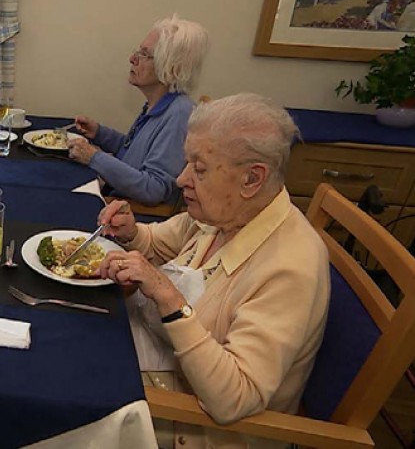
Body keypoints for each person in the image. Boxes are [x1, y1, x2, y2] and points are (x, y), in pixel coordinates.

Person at [97, 93, 330, 448]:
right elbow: (159, 241)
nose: (181, 179)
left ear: (252, 179)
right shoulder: (225, 212)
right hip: (165, 367)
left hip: (200, 428)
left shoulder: (290, 267)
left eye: (199, 168)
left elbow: (234, 399)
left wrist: (167, 297)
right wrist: (132, 232)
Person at [68, 15, 208, 206]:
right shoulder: (159, 104)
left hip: (133, 219)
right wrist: (100, 133)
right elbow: (133, 155)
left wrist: (94, 157)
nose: (132, 59)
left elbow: (154, 189)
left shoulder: (180, 115)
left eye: (144, 54)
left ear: (170, 66)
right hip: (118, 203)